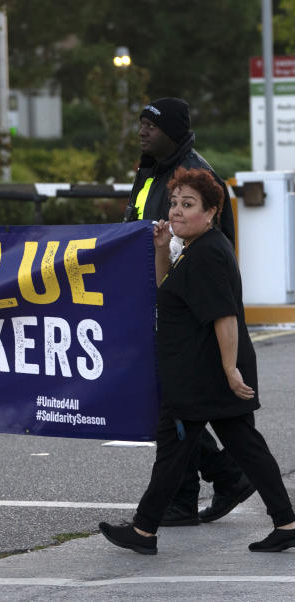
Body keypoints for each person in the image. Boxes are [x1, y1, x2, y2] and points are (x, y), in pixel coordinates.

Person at [100, 168, 295, 554]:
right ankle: (286, 522)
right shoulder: (197, 248)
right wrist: (160, 250)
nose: (176, 211)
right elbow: (167, 292)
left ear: (211, 212)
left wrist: (229, 369)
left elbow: (224, 316)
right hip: (205, 374)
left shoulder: (207, 254)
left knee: (175, 451)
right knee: (245, 449)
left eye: (187, 205)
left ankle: (143, 530)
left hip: (201, 377)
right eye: (174, 203)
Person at [122, 97, 253, 527]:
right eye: (141, 123)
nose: (142, 130)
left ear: (173, 132)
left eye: (151, 125)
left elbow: (213, 249)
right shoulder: (150, 171)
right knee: (172, 404)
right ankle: (226, 477)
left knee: (175, 405)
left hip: (181, 309)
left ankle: (191, 495)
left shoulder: (196, 176)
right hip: (152, 299)